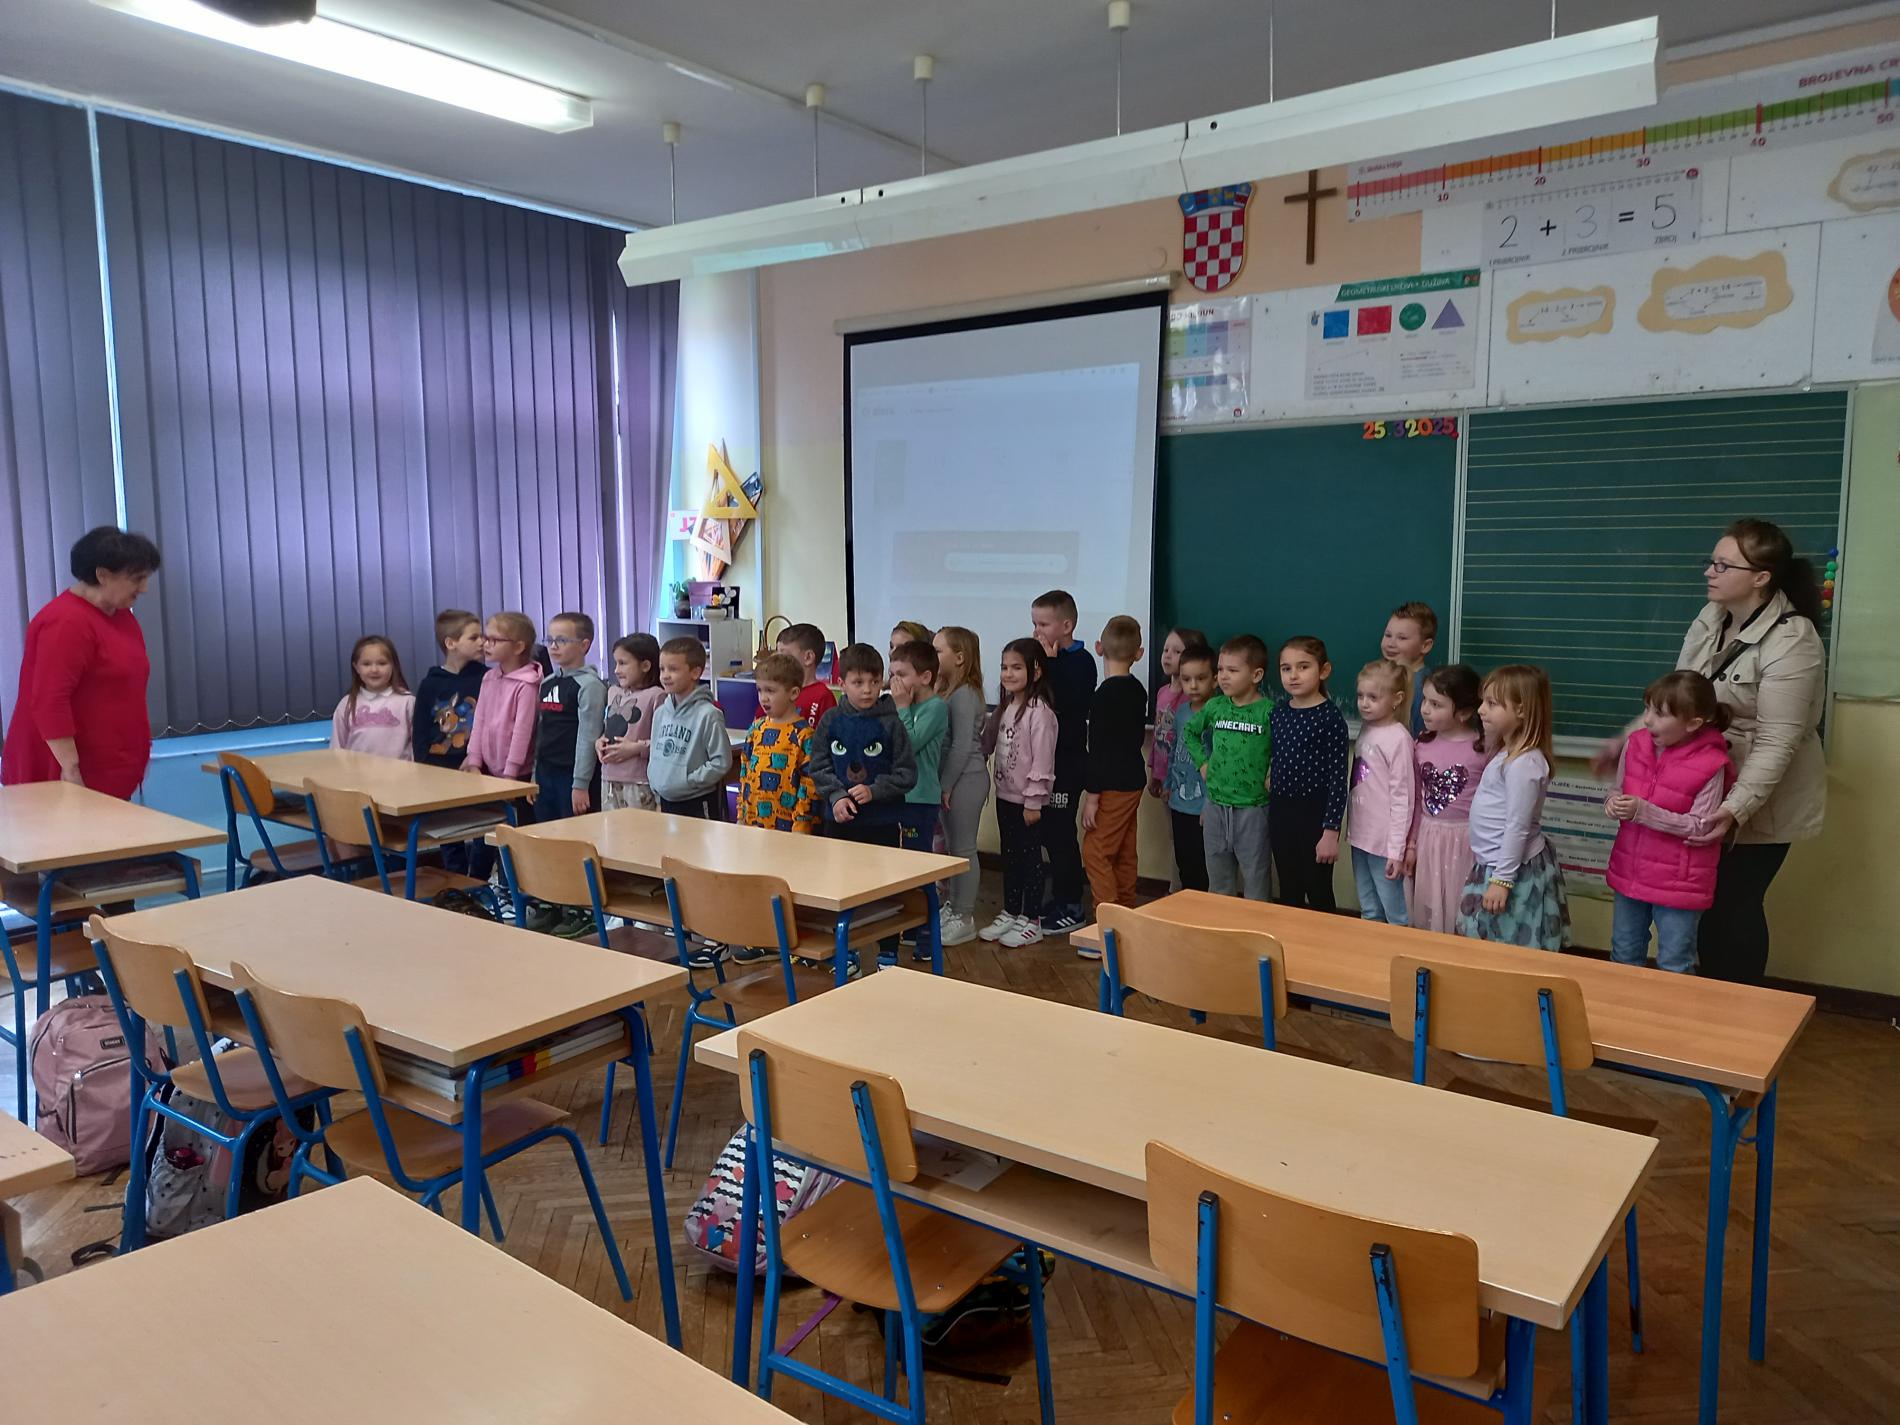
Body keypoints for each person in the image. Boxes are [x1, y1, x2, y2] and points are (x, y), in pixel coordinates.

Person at [1592, 519, 1826, 985]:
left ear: (1761, 577)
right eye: (1711, 562)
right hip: (1698, 786)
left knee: (1733, 906)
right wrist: (1626, 738)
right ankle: (1703, 1006)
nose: (1709, 572)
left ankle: (1736, 1009)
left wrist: (1736, 808)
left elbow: (1778, 739)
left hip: (1759, 801)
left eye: (1723, 565)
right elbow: (1680, 699)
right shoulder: (1710, 618)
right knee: (1697, 908)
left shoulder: (1793, 639)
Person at [3, 526, 162, 799]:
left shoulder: (122, 617)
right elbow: (50, 701)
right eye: (137, 579)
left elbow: (125, 691)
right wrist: (71, 769)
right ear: (102, 575)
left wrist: (137, 753)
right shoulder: (66, 622)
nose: (144, 588)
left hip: (110, 765)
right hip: (65, 772)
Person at [1604, 671, 1736, 975]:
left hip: (1680, 882)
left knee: (1675, 963)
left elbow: (1702, 825)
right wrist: (1612, 802)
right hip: (1630, 873)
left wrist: (1644, 812)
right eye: (1647, 708)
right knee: (1623, 954)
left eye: (1660, 714)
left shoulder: (1712, 763)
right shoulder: (1635, 744)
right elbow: (1617, 789)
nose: (1647, 720)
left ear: (1693, 723)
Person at [1458, 665, 1568, 950]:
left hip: (1510, 871)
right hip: (1495, 863)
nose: (1481, 710)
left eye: (1492, 704)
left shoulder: (1525, 763)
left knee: (1508, 943)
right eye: (1483, 701)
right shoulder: (1508, 754)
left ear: (1521, 710)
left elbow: (1517, 825)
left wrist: (1502, 881)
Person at [1403, 666, 1493, 934]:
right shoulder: (1421, 744)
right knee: (1430, 905)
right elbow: (1416, 799)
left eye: (1436, 704)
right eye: (1424, 700)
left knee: (1460, 906)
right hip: (1429, 837)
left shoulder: (1483, 748)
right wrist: (1412, 844)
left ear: (1464, 712)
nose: (1425, 710)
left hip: (1466, 841)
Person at [1183, 634, 1273, 901]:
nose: (1223, 676)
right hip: (1216, 807)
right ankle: (1220, 926)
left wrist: (1274, 771)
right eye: (1220, 669)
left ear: (1256, 675)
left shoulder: (1269, 712)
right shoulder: (1215, 706)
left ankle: (1255, 927)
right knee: (1219, 883)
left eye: (1232, 671)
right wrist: (1202, 762)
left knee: (1256, 880)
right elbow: (1189, 732)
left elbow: (1284, 748)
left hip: (1253, 809)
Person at [981, 638, 1057, 948]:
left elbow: (1042, 760)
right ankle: (1011, 911)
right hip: (1005, 797)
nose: (1008, 674)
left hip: (1028, 802)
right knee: (1010, 857)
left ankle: (1032, 919)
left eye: (1016, 667)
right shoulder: (1005, 707)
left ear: (1035, 671)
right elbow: (989, 744)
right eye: (1004, 667)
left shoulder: (1040, 713)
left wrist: (1034, 802)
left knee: (1030, 860)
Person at [1030, 590, 1096, 933]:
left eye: (1044, 624)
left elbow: (1069, 702)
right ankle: (1056, 898)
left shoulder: (1081, 661)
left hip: (1067, 763)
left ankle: (1072, 904)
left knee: (1060, 833)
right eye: (1034, 624)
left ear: (1066, 626)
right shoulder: (1041, 660)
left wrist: (1052, 664)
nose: (1037, 631)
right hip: (1042, 761)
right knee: (1045, 833)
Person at [1267, 636, 1349, 911]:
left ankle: (1324, 939)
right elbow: (1275, 754)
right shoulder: (1279, 713)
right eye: (1286, 668)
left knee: (1318, 889)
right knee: (1288, 887)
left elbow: (1338, 779)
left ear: (1323, 670)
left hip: (1315, 815)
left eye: (1303, 667)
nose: (1293, 675)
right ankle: (1290, 938)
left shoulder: (1330, 718)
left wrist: (1331, 832)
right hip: (1281, 811)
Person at [1080, 615, 1147, 944]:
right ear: (1139, 654)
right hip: (1132, 779)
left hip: (1111, 785)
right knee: (1122, 850)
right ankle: (1126, 917)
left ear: (1098, 648)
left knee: (1095, 851)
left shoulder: (1103, 696)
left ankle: (1106, 929)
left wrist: (1092, 796)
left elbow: (1099, 749)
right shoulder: (1138, 691)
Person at [812, 643, 916, 847]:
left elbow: (907, 773)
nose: (867, 690)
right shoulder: (831, 720)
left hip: (882, 823)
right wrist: (836, 795)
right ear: (842, 684)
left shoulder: (892, 723)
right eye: (858, 682)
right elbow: (818, 766)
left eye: (874, 682)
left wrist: (874, 790)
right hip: (839, 822)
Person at [932, 625, 989, 948]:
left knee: (964, 849)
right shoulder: (948, 690)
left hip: (965, 780)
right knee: (954, 849)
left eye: (938, 651)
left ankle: (965, 916)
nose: (933, 656)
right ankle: (953, 907)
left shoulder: (965, 694)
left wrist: (946, 785)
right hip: (953, 780)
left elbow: (961, 747)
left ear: (959, 657)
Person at [1348, 658, 1415, 925]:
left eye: (1373, 697)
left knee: (1395, 913)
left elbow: (1403, 798)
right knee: (1369, 909)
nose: (1364, 703)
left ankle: (1400, 951)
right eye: (1360, 696)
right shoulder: (1367, 729)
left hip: (1384, 844)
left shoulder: (1398, 739)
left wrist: (1396, 851)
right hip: (1361, 837)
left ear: (1397, 699)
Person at [648, 637, 733, 819]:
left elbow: (721, 761)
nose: (665, 675)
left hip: (697, 800)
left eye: (673, 669)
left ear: (695, 672)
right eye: (662, 669)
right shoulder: (661, 712)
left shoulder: (709, 714)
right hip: (666, 800)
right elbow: (655, 752)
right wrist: (656, 782)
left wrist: (689, 781)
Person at [534, 612, 606, 823]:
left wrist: (580, 784)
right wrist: (534, 774)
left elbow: (588, 736)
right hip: (545, 771)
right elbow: (541, 730)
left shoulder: (589, 686)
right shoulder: (547, 682)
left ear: (584, 645)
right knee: (545, 832)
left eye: (562, 640)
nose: (553, 646)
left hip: (572, 775)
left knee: (573, 833)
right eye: (549, 640)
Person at [736, 651, 819, 834]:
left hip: (790, 831)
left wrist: (801, 826)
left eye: (771, 691)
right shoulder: (756, 729)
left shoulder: (804, 735)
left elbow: (809, 786)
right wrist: (741, 815)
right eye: (760, 690)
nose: (763, 698)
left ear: (794, 693)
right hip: (752, 825)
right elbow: (744, 772)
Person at [462, 613, 541, 783]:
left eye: (494, 640)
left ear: (518, 647)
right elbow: (479, 721)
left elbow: (522, 732)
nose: (485, 644)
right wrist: (474, 761)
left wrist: (511, 772)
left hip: (516, 774)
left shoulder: (527, 685)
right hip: (487, 769)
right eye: (486, 638)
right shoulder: (489, 678)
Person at [1164, 643, 1216, 893]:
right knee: (1184, 860)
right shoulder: (1182, 712)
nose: (1193, 685)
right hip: (1179, 802)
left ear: (1215, 679)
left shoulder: (1217, 715)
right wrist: (1167, 784)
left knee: (1204, 865)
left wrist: (1210, 802)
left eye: (1201, 678)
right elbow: (1174, 749)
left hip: (1204, 806)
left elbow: (1219, 762)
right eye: (1186, 679)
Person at [889, 640, 946, 856]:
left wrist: (902, 707)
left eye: (902, 675)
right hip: (897, 795)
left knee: (916, 857)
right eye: (892, 675)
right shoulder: (898, 705)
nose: (895, 682)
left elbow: (909, 745)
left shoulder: (935, 707)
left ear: (925, 677)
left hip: (920, 798)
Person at [597, 633, 665, 812]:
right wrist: (600, 741)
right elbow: (610, 728)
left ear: (645, 666)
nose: (616, 670)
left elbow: (663, 743)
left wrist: (637, 748)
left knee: (639, 828)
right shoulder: (613, 692)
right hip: (608, 779)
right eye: (616, 663)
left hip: (638, 781)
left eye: (623, 663)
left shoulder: (657, 695)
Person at [413, 610, 486, 768]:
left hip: (475, 765)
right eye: (474, 638)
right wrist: (422, 763)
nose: (482, 642)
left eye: (482, 636)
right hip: (437, 765)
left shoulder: (487, 678)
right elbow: (420, 730)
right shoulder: (430, 683)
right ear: (451, 643)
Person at [1148, 624, 1210, 805]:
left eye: (1177, 652)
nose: (1167, 655)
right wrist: (1153, 772)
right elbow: (1157, 733)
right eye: (1165, 650)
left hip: (1182, 775)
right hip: (1162, 774)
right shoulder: (1162, 692)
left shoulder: (1191, 698)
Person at [330, 635, 414, 758]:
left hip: (400, 770)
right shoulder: (347, 704)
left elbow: (417, 746)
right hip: (356, 770)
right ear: (356, 667)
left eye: (382, 663)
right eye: (366, 664)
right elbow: (337, 749)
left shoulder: (407, 702)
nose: (374, 670)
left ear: (393, 665)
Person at [1381, 601, 1438, 737]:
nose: (1391, 644)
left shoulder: (1423, 688)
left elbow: (1419, 739)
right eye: (1388, 635)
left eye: (1402, 638)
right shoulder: (1386, 679)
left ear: (1425, 646)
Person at [776, 622, 837, 729]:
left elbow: (831, 733)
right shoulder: (777, 690)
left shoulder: (823, 696)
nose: (778, 662)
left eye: (784, 656)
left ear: (808, 657)